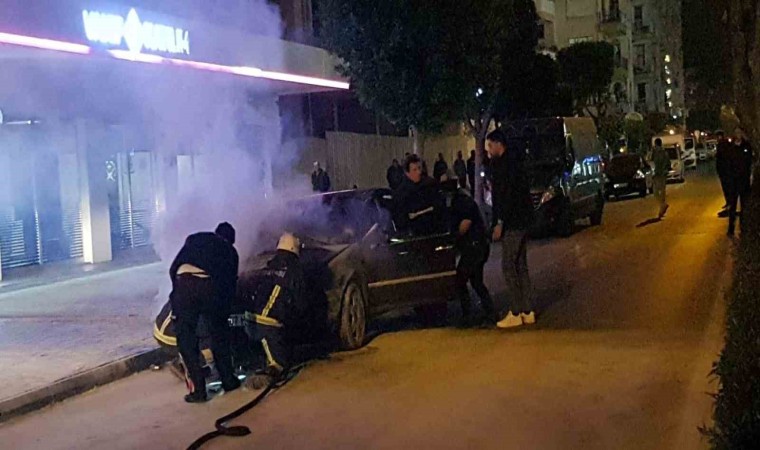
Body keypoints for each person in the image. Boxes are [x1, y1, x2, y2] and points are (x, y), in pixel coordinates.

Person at [169, 222, 240, 403]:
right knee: (219, 333)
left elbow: (173, 268)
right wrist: (223, 313)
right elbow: (229, 286)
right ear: (231, 240)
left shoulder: (195, 238)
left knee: (186, 338)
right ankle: (229, 381)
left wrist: (177, 293)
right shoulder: (230, 251)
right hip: (208, 286)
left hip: (183, 282)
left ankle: (198, 392)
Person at [485, 129, 535, 329]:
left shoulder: (502, 166)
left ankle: (516, 311)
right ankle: (527, 310)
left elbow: (504, 196)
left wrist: (499, 222)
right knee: (520, 265)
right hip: (523, 219)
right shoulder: (516, 162)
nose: (489, 150)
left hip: (513, 222)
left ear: (499, 144)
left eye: (490, 145)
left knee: (508, 265)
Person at [245, 233, 307, 387]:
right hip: (268, 324)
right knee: (280, 365)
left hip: (248, 321)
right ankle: (270, 370)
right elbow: (300, 301)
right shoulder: (294, 270)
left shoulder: (269, 265)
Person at [451, 188, 495, 326]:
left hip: (474, 247)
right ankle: (489, 313)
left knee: (461, 280)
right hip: (478, 246)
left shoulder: (462, 202)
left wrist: (454, 238)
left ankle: (468, 315)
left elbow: (466, 223)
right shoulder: (465, 201)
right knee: (476, 281)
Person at [394, 154, 440, 235]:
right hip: (413, 233)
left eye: (419, 168)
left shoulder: (429, 185)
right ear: (407, 173)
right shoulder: (401, 193)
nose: (419, 172)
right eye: (414, 170)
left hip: (432, 230)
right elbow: (401, 219)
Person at [724, 127, 753, 236]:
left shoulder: (746, 146)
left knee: (744, 206)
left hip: (744, 181)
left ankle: (743, 227)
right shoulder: (730, 147)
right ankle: (731, 228)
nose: (738, 134)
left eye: (739, 132)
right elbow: (727, 163)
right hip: (733, 182)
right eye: (736, 132)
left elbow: (749, 161)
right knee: (733, 206)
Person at [651, 138, 670, 219]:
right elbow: (652, 161)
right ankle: (663, 206)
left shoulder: (663, 153)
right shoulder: (656, 153)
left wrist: (664, 170)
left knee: (660, 192)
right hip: (658, 174)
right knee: (657, 192)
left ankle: (662, 209)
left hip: (661, 174)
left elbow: (667, 164)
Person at [716, 131, 733, 217]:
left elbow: (722, 158)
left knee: (728, 189)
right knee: (726, 189)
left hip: (726, 172)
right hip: (724, 171)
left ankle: (730, 206)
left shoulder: (723, 145)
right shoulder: (722, 145)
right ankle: (728, 204)